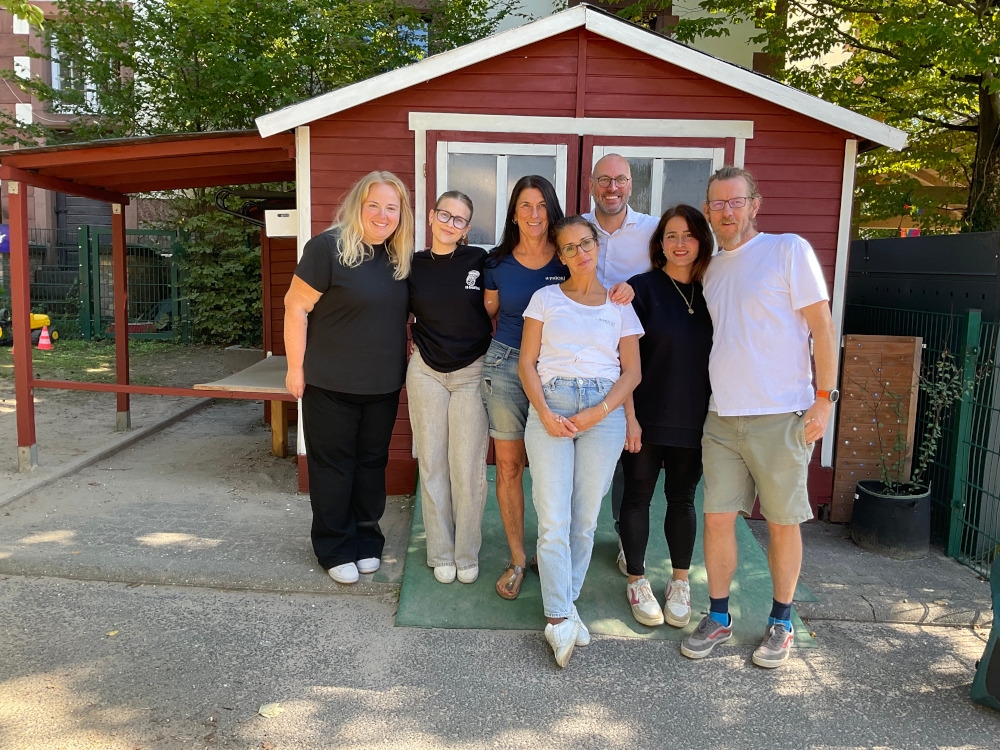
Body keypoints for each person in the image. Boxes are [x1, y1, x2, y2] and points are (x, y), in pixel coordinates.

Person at [680, 166, 837, 669]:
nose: (726, 212)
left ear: (754, 203)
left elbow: (821, 327)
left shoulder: (788, 250)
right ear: (709, 211)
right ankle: (720, 615)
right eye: (717, 204)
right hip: (722, 416)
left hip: (781, 414)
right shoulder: (712, 270)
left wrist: (825, 396)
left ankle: (781, 621)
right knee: (718, 518)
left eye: (735, 201)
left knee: (782, 522)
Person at [519, 215, 643, 668]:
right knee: (553, 516)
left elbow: (632, 371)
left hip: (603, 409)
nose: (580, 253)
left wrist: (602, 412)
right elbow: (527, 364)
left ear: (596, 245)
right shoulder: (545, 298)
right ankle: (558, 618)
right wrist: (547, 414)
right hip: (550, 401)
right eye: (569, 247)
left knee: (584, 519)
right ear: (561, 254)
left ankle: (566, 607)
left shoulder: (619, 303)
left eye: (586, 243)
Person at [284, 171, 415, 585]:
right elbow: (295, 309)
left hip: (382, 385)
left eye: (391, 207)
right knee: (333, 468)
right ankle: (334, 547)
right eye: (373, 205)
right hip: (330, 384)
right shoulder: (327, 248)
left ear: (401, 214)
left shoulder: (399, 257)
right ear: (358, 205)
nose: (382, 214)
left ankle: (365, 540)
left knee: (371, 466)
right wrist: (294, 368)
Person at [619, 205, 713, 629]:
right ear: (659, 243)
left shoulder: (716, 289)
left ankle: (679, 581)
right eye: (671, 235)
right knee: (637, 496)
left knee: (683, 499)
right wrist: (630, 417)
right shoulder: (640, 289)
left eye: (688, 235)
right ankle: (637, 579)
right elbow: (622, 363)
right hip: (646, 416)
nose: (680, 244)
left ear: (701, 241)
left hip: (695, 418)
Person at [481, 175, 567, 600]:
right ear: (514, 213)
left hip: (558, 373)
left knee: (555, 471)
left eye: (541, 205)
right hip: (507, 366)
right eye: (525, 206)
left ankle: (551, 553)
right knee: (510, 467)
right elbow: (489, 312)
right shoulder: (496, 264)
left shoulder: (568, 259)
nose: (534, 214)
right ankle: (518, 558)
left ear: (551, 210)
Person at [406, 191, 492, 585]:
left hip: (471, 371)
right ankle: (440, 550)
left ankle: (466, 552)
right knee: (433, 462)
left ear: (467, 229)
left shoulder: (480, 261)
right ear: (432, 216)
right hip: (425, 371)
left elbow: (500, 302)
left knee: (468, 466)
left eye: (460, 220)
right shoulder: (413, 265)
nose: (450, 224)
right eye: (445, 215)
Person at [583, 153, 660, 574]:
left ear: (631, 185)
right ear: (592, 184)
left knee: (630, 448)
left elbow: (674, 271)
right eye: (604, 180)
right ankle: (572, 533)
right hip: (583, 353)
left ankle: (621, 533)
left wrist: (635, 286)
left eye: (620, 180)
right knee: (579, 445)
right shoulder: (576, 228)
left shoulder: (651, 231)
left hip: (634, 350)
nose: (612, 187)